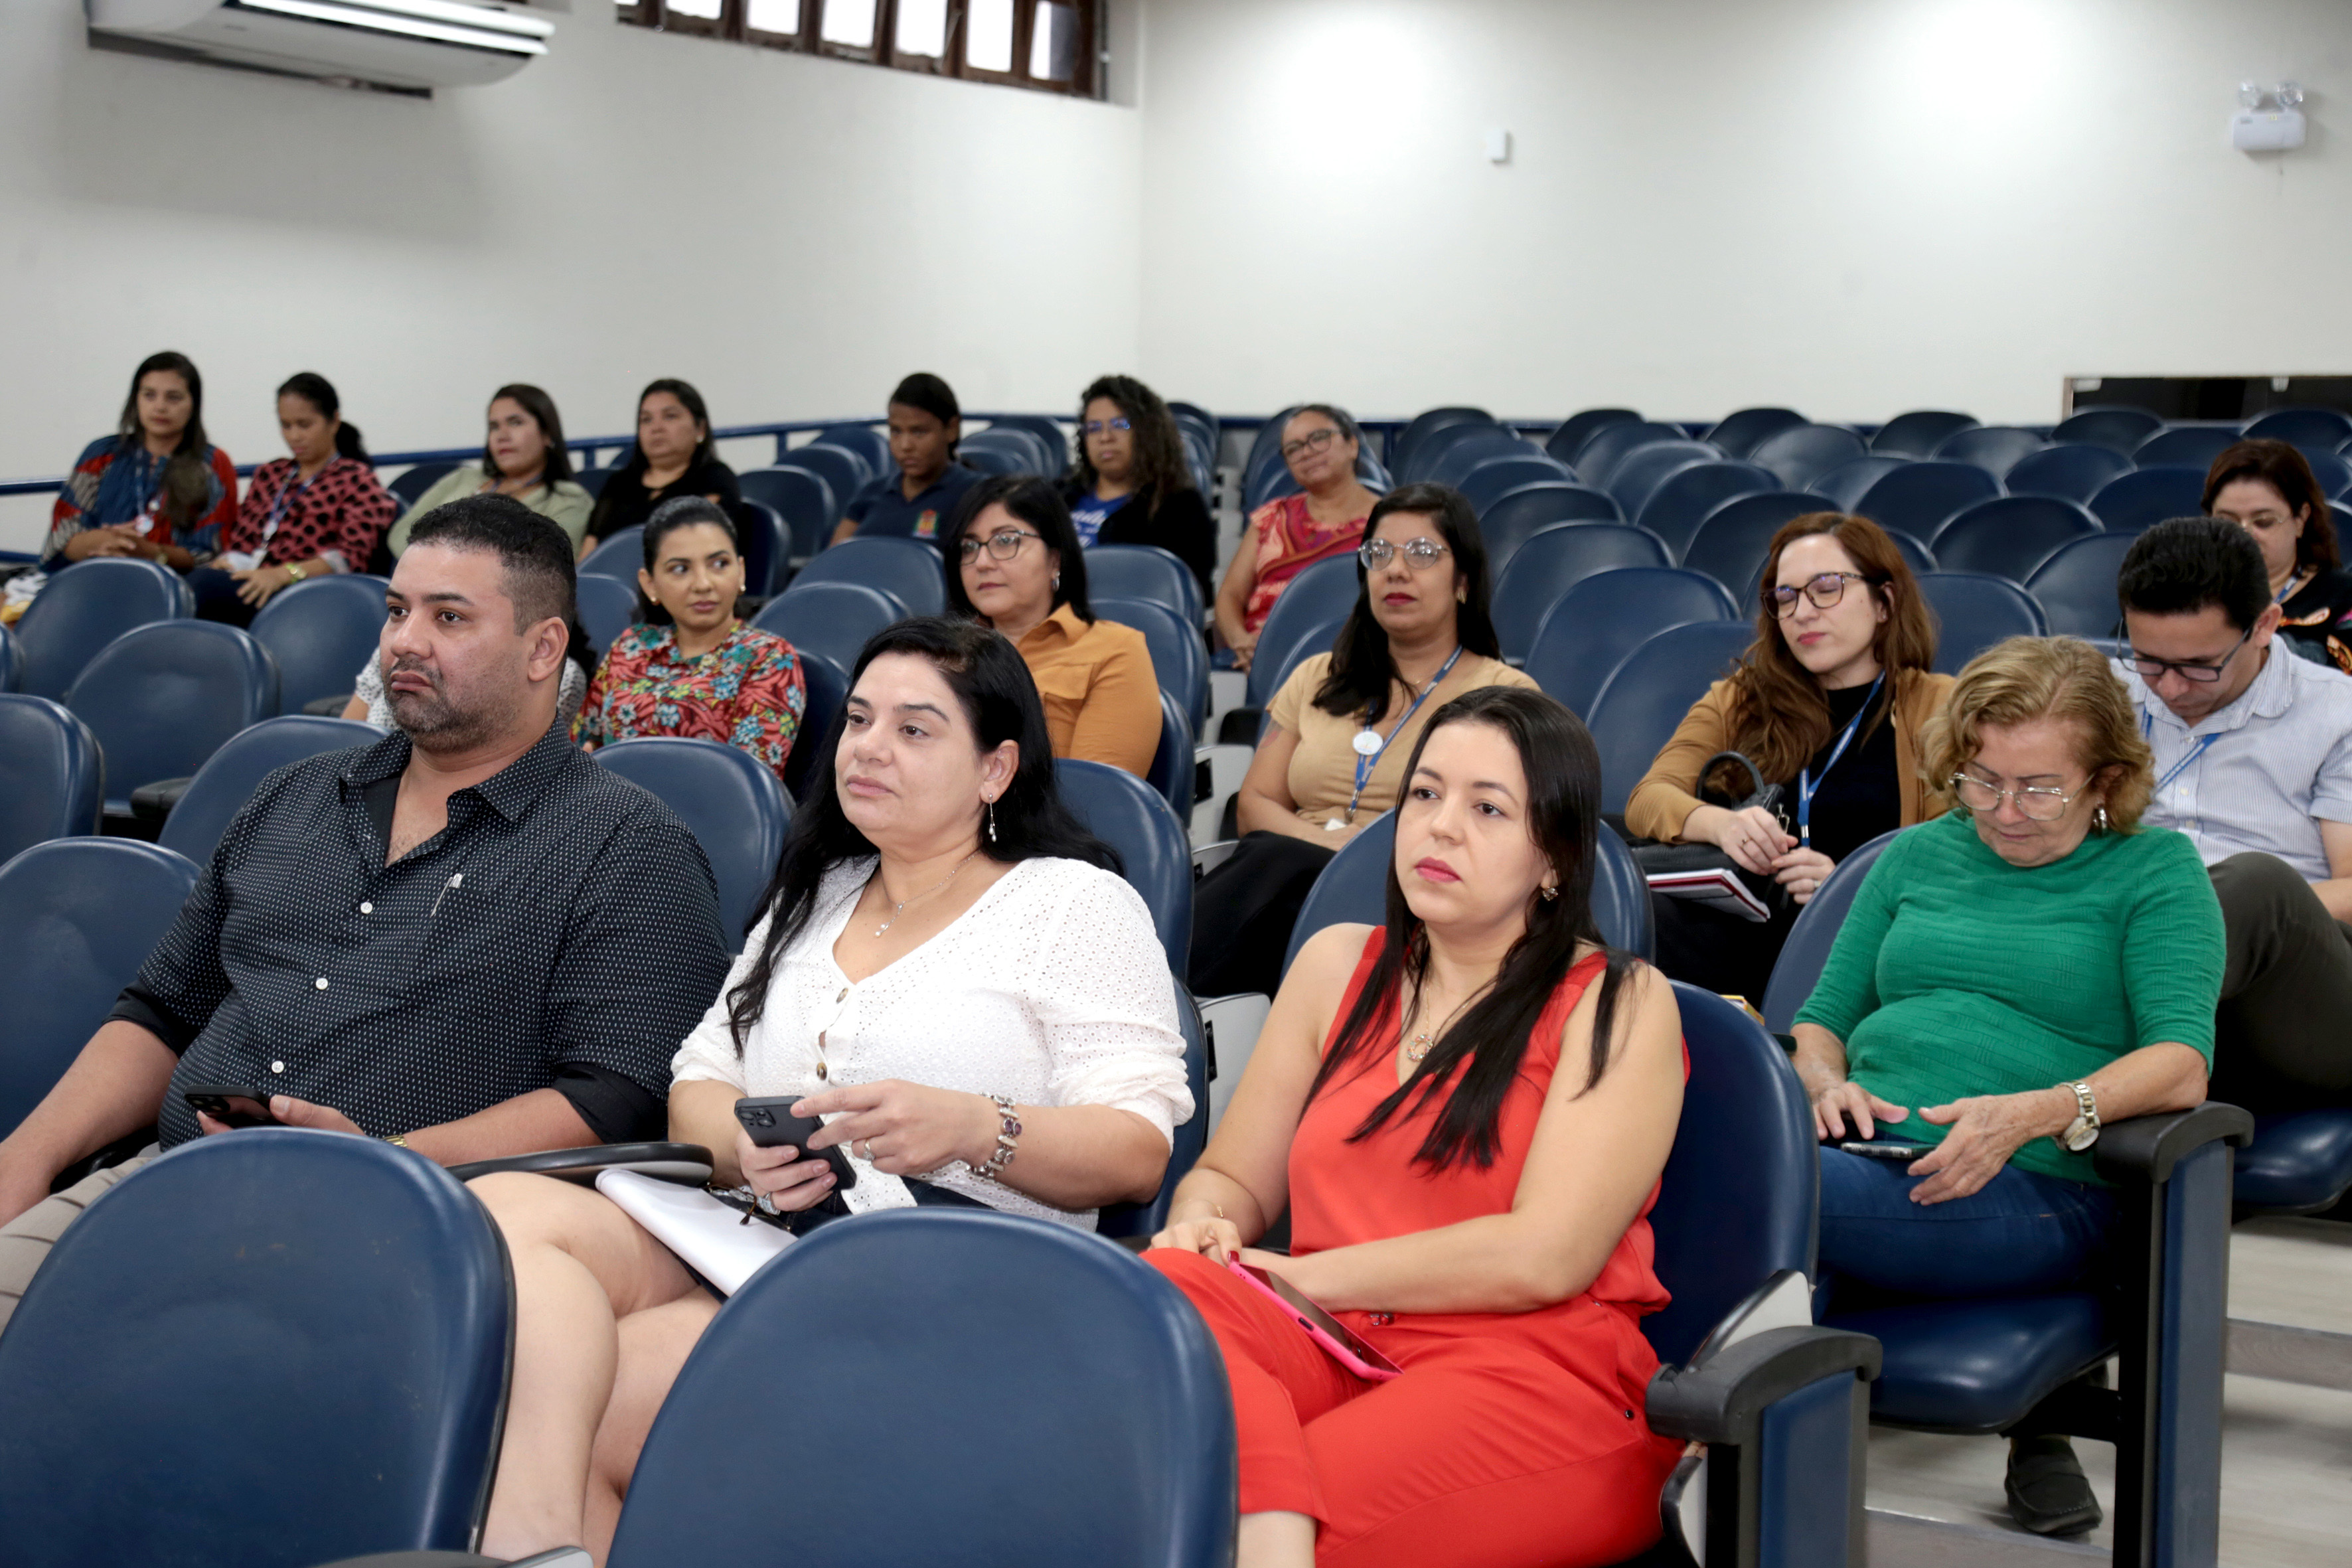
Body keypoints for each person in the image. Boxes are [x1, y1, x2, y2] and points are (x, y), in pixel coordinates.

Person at [465, 616, 1192, 1560]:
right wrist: (744, 1146)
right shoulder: (820, 891)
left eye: (914, 729)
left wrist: (970, 1125)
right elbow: (699, 1076)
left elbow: (1137, 1153)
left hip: (957, 1272)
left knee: (609, 1400)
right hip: (761, 1236)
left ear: (995, 769)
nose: (868, 748)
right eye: (857, 721)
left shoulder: (1070, 902)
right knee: (500, 1211)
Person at [0, 495, 731, 1335]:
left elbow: (614, 1096)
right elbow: (165, 1008)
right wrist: (29, 1155)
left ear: (543, 649)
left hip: (403, 1233)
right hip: (168, 1181)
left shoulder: (629, 846)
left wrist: (393, 1161)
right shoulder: (293, 795)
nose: (404, 641)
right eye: (396, 610)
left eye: (448, 616)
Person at [1150, 686, 1686, 1568]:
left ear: (1553, 857)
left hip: (1529, 1374)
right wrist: (1206, 1219)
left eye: (1486, 808)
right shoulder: (1333, 966)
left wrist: (1299, 1276)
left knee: (1220, 1501)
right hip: (1330, 1342)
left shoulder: (1617, 1001)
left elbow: (1542, 1256)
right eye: (1425, 794)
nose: (1439, 827)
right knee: (1173, 1277)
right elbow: (1234, 1180)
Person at [1793, 635, 2221, 1537]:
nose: (2004, 812)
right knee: (1785, 1267)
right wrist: (1823, 1082)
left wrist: (2034, 1110)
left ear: (2105, 779)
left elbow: (2180, 1062)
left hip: (2029, 1182)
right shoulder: (1914, 855)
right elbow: (1819, 1018)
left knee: (1761, 1196)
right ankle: (1762, 1509)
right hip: (1862, 1152)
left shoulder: (2155, 873)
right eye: (1981, 780)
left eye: (2038, 788)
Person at [1192, 483, 1535, 999]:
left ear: (1462, 579)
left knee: (1274, 864)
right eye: (1378, 554)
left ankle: (1145, 979)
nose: (1395, 570)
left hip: (1412, 889)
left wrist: (1354, 855)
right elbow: (1255, 804)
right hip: (1291, 878)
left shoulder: (1504, 697)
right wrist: (1328, 846)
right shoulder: (1316, 676)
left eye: (1421, 554)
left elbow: (1497, 832)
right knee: (1276, 861)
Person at [1626, 513, 1952, 1002]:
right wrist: (1720, 825)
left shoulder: (1938, 705)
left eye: (1826, 588)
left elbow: (1956, 851)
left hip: (1864, 941)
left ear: (1884, 601)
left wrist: (1848, 885)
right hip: (1740, 930)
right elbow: (1647, 799)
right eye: (1786, 596)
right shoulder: (1740, 698)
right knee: (1627, 916)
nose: (1802, 612)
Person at [2116, 518, 2352, 1110]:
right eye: (2148, 661)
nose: (2169, 688)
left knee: (2254, 883)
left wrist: (2180, 909)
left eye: (2198, 666)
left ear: (2265, 626)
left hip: (2299, 993)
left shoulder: (2336, 715)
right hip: (2140, 964)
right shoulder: (2107, 699)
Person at [573, 497, 806, 785]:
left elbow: (748, 783)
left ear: (741, 571)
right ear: (650, 585)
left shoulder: (769, 658)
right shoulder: (631, 646)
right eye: (681, 569)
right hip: (610, 814)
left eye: (719, 564)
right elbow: (584, 745)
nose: (703, 584)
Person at [945, 475, 1160, 777]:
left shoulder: (1115, 651)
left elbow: (1097, 799)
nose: (981, 562)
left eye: (1006, 541)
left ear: (1055, 559)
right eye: (968, 547)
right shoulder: (941, 656)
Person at [188, 372, 396, 627]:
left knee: (200, 588)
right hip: (255, 585)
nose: (294, 436)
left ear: (334, 421)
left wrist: (283, 575)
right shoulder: (271, 474)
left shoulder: (357, 480)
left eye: (304, 425)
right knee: (196, 582)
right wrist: (229, 562)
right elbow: (244, 543)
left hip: (309, 595)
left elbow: (349, 559)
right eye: (286, 426)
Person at [1216, 406, 1380, 671]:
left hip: (1360, 657)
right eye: (1293, 448)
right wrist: (1241, 642)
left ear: (1352, 445)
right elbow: (1230, 595)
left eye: (1319, 438)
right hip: (1268, 658)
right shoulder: (1271, 517)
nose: (1306, 452)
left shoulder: (1389, 520)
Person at [45, 351, 238, 570]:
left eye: (173, 397)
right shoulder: (101, 454)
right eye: (149, 395)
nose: (160, 407)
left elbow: (212, 554)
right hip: (93, 578)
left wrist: (150, 553)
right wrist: (107, 542)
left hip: (174, 588)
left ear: (194, 405)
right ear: (135, 399)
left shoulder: (212, 463)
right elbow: (61, 536)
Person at [385, 385, 595, 560]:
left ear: (547, 434)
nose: (502, 436)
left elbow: (540, 565)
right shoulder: (462, 478)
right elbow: (402, 533)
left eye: (515, 423)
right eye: (494, 426)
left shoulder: (569, 499)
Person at [2203, 438, 2352, 673]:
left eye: (2263, 522)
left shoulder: (2343, 598)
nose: (2244, 535)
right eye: (2226, 522)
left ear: (2301, 519)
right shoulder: (2180, 587)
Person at [1062, 374, 1216, 599]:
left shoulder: (1180, 508)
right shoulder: (1061, 497)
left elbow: (1189, 596)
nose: (1105, 437)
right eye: (1094, 428)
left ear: (1147, 432)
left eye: (1120, 424)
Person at [580, 380, 740, 556]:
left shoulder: (715, 480)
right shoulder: (619, 483)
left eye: (670, 416)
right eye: (646, 420)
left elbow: (698, 549)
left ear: (700, 428)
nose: (656, 428)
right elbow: (589, 552)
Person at [830, 372, 980, 551]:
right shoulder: (872, 492)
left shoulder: (977, 495)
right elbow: (832, 564)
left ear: (951, 429)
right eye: (896, 431)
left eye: (919, 432)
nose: (905, 446)